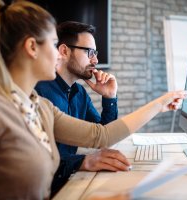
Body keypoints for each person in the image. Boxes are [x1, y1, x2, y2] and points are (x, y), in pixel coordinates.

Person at [0, 1, 187, 199]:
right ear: (32, 47)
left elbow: (102, 135)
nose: (58, 54)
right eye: (54, 44)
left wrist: (158, 103)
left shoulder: (38, 107)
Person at [35, 21, 126, 195]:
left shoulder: (79, 93)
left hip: (70, 180)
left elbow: (104, 136)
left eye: (96, 53)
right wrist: (82, 161)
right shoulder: (39, 92)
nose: (96, 60)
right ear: (64, 51)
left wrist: (109, 97)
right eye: (90, 52)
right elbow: (38, 160)